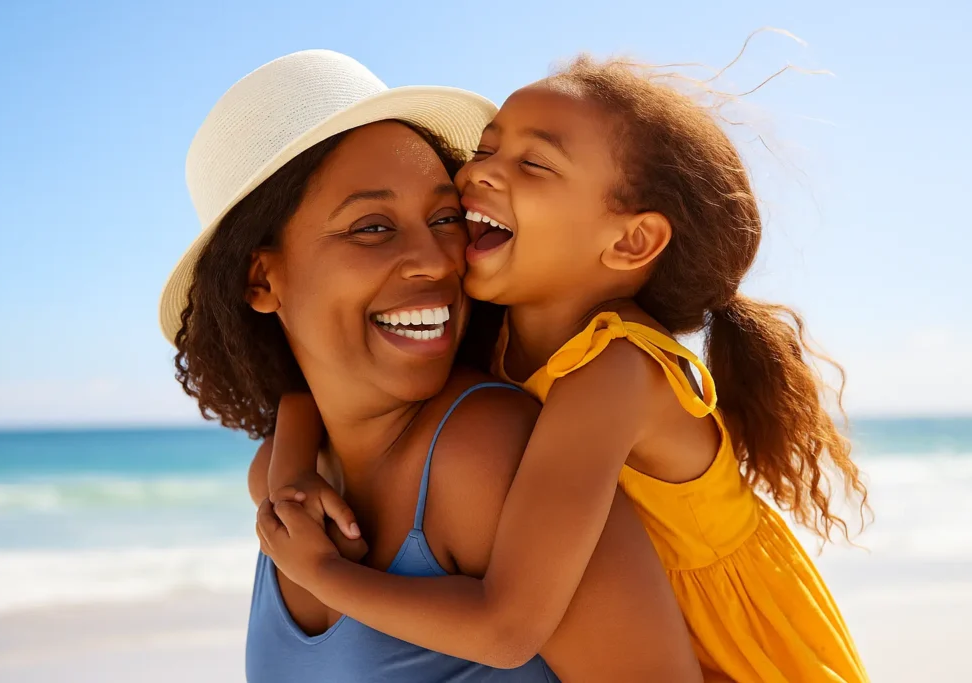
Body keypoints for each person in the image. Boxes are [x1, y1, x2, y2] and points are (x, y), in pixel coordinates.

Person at [261, 54, 871, 682]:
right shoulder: (499, 335)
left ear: (630, 242)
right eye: (486, 148)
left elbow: (506, 629)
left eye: (533, 163)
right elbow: (310, 403)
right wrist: (292, 477)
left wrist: (322, 572)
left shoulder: (616, 370)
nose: (478, 174)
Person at [161, 50, 701, 682]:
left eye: (445, 218)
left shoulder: (483, 452)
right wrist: (292, 468)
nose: (438, 260)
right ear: (262, 278)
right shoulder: (287, 475)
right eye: (371, 227)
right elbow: (294, 411)